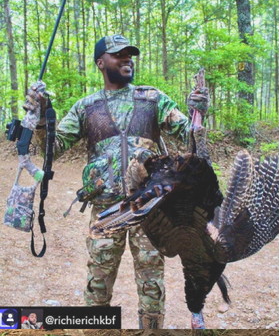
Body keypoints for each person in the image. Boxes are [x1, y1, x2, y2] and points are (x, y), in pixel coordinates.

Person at [23, 34, 208, 328]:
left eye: (129, 54)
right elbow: (53, 149)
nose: (127, 59)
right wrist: (43, 117)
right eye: (118, 55)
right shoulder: (87, 106)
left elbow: (189, 136)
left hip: (150, 210)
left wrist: (199, 113)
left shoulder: (152, 99)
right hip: (106, 212)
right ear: (101, 63)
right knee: (98, 284)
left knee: (152, 286)